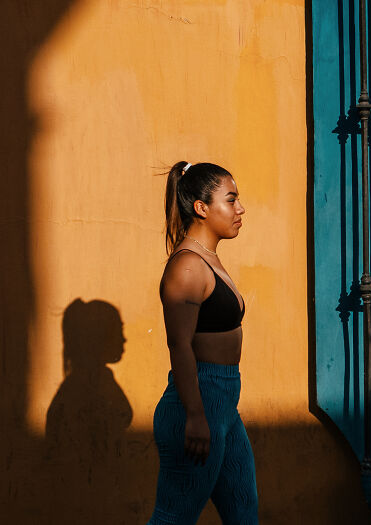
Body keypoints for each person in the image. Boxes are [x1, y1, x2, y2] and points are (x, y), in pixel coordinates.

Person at [147, 161, 258, 524]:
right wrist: (195, 416)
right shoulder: (188, 266)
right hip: (198, 403)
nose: (240, 209)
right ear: (201, 208)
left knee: (243, 515)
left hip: (223, 404)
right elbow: (179, 346)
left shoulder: (209, 258)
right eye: (231, 200)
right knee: (173, 518)